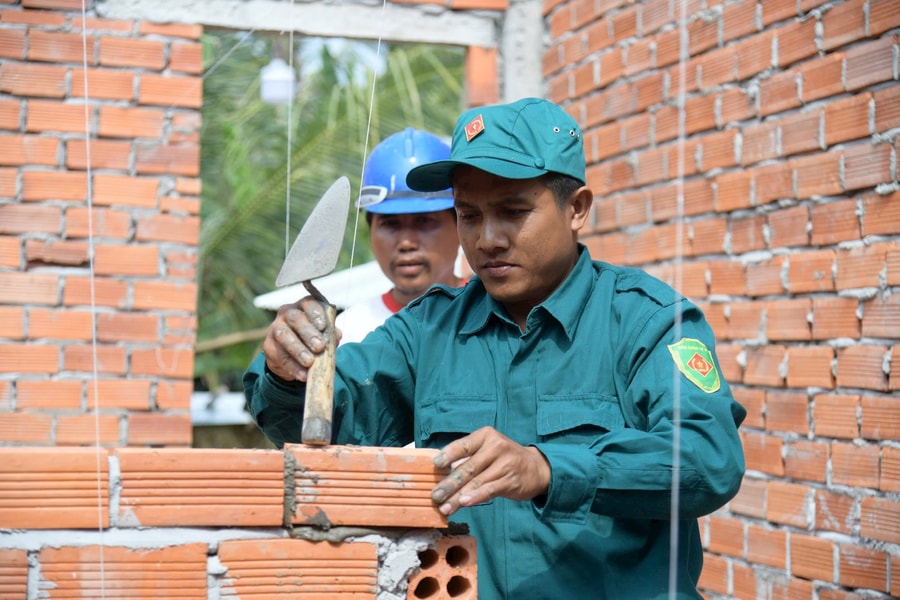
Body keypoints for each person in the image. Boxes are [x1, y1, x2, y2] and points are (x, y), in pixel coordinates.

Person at [244, 97, 746, 599]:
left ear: (577, 208)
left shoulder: (648, 320)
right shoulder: (428, 329)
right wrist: (288, 370)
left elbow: (707, 460)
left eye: (513, 212)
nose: (487, 239)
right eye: (468, 215)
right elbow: (325, 427)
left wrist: (548, 469)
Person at [337, 127, 462, 344]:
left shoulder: (498, 317)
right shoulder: (347, 334)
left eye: (424, 221)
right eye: (391, 224)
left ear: (462, 225)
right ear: (370, 232)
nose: (406, 243)